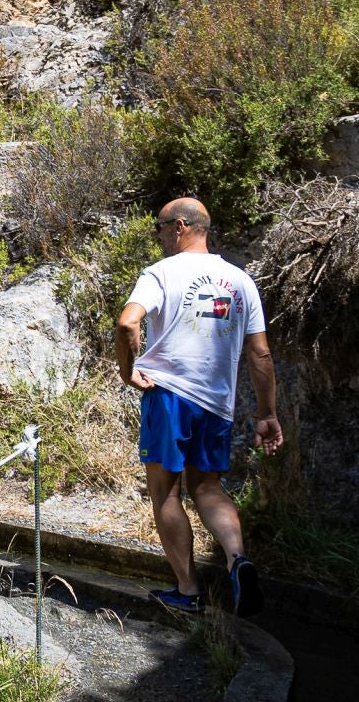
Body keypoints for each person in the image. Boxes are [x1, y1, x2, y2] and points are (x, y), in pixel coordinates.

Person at [114, 197, 282, 615]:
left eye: (160, 225)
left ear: (181, 226)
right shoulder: (241, 281)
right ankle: (235, 557)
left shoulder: (161, 273)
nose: (157, 234)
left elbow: (126, 321)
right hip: (217, 403)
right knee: (208, 487)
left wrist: (127, 370)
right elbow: (261, 355)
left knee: (165, 492)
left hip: (169, 394)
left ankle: (187, 591)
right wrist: (267, 414)